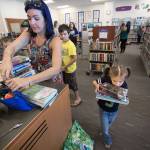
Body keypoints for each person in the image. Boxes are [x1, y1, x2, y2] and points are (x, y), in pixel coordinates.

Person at [1, 0, 62, 91]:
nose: (32, 23)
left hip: (52, 84)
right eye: (29, 18)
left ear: (46, 19)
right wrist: (6, 59)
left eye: (36, 18)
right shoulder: (29, 33)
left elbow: (56, 69)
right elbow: (11, 47)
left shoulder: (55, 40)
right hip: (35, 81)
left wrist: (27, 80)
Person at [93, 64, 130, 149]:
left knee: (108, 124)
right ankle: (107, 141)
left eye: (120, 81)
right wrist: (97, 86)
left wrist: (125, 98)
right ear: (110, 76)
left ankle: (103, 129)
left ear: (124, 79)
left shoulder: (124, 85)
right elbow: (94, 81)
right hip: (103, 109)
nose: (117, 84)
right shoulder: (105, 79)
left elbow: (124, 96)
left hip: (114, 111)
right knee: (106, 130)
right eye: (114, 81)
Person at [58, 24, 82, 107]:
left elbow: (74, 58)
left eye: (65, 34)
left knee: (73, 84)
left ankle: (78, 98)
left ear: (68, 34)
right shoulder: (61, 43)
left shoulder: (70, 45)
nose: (63, 36)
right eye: (61, 34)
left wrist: (65, 66)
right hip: (64, 68)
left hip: (70, 69)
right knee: (66, 83)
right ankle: (67, 95)